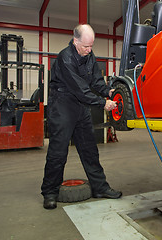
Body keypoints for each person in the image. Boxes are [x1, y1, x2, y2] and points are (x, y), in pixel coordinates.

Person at [41, 24, 122, 210]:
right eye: (86, 46)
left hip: (80, 107)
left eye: (92, 46)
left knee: (89, 150)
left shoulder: (89, 56)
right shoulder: (65, 58)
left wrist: (108, 91)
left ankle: (100, 188)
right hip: (63, 105)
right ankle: (50, 192)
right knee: (58, 152)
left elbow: (95, 80)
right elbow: (81, 89)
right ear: (75, 40)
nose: (89, 50)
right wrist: (103, 103)